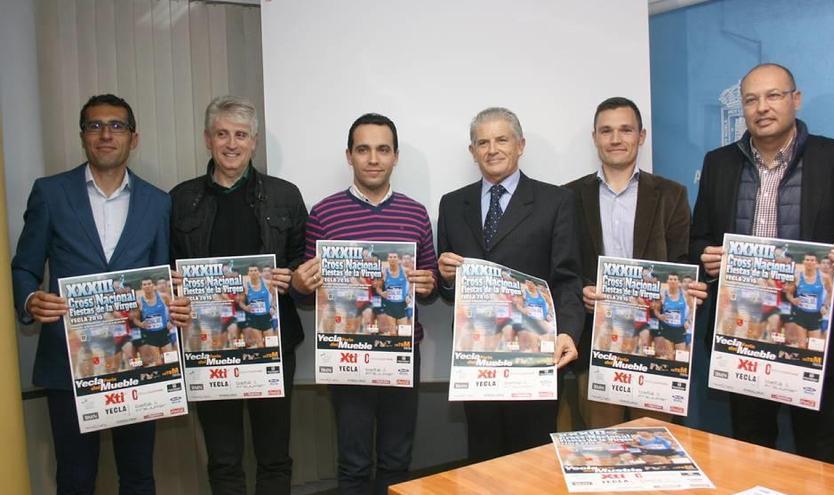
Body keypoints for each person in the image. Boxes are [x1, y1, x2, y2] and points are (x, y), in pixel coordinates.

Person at [690, 63, 834, 464]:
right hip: (743, 336)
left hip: (814, 339)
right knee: (750, 449)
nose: (762, 107)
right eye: (751, 99)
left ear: (796, 100)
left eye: (773, 95)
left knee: (818, 453)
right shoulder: (718, 164)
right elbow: (700, 238)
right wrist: (705, 257)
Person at [11, 94, 190, 494]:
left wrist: (173, 304)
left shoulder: (158, 202)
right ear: (82, 136)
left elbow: (162, 274)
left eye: (117, 126)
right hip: (69, 362)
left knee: (139, 475)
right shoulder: (50, 193)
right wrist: (29, 299)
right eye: (95, 125)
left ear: (134, 137)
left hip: (139, 360)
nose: (106, 134)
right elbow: (24, 266)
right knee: (75, 476)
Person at [291, 113, 438, 494]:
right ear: (349, 156)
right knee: (354, 462)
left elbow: (430, 285)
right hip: (348, 353)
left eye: (382, 150)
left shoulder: (416, 212)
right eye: (363, 149)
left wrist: (428, 283)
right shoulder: (323, 213)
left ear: (395, 157)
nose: (373, 159)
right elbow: (308, 293)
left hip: (401, 351)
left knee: (397, 458)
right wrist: (301, 284)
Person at [170, 95, 307, 494]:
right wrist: (174, 288)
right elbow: (165, 265)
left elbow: (303, 260)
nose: (232, 144)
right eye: (222, 134)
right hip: (208, 346)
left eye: (241, 135)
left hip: (274, 344)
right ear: (207, 139)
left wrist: (294, 277)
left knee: (275, 457)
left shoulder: (285, 195)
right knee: (224, 460)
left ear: (255, 142)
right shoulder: (180, 199)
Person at [437, 107, 583, 462]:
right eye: (482, 142)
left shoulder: (556, 201)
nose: (492, 149)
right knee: (483, 462)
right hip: (478, 358)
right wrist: (444, 277)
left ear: (520, 145)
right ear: (472, 151)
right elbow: (449, 290)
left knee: (532, 462)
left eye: (501, 139)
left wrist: (569, 332)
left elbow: (568, 278)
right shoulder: (453, 204)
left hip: (535, 356)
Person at [563, 97, 707, 428]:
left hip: (656, 344)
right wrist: (581, 290)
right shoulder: (568, 196)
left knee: (655, 444)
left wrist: (691, 288)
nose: (616, 139)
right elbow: (564, 267)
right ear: (595, 137)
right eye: (607, 131)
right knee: (601, 446)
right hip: (596, 344)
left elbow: (682, 262)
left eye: (626, 130)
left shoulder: (671, 194)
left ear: (641, 136)